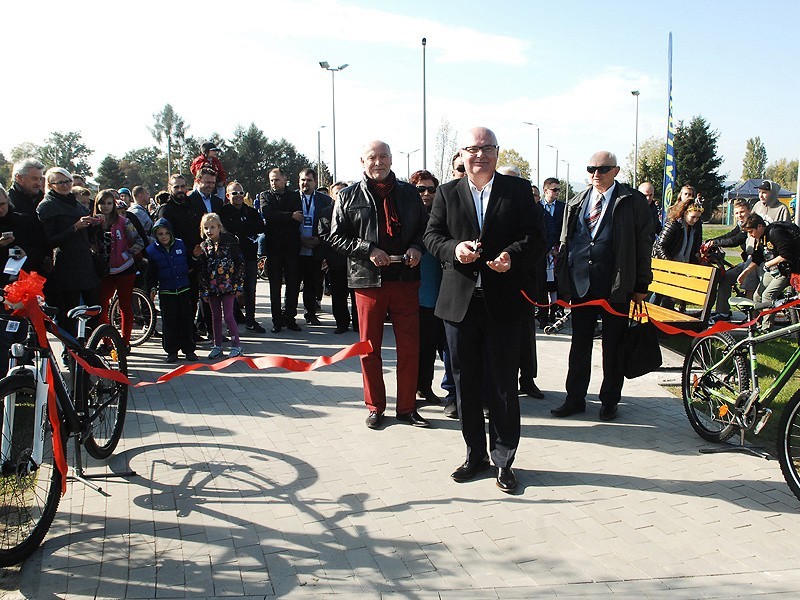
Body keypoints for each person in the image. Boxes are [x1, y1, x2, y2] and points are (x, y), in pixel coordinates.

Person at [424, 127, 545, 493]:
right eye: (473, 149)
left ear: (497, 152)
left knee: (504, 385)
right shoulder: (447, 193)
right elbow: (432, 237)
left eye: (487, 148)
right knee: (466, 383)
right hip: (460, 305)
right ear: (462, 154)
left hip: (504, 304)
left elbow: (537, 238)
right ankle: (474, 454)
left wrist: (513, 256)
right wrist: (454, 249)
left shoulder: (519, 191)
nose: (480, 155)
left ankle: (504, 460)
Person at [328, 140, 430, 430]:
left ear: (391, 159)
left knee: (409, 348)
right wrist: (369, 249)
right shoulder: (347, 197)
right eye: (372, 158)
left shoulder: (410, 194)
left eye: (383, 156)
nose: (378, 162)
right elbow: (336, 237)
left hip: (406, 280)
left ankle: (407, 407)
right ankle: (375, 407)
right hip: (368, 282)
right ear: (362, 162)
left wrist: (416, 248)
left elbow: (426, 230)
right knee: (369, 348)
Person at [552, 151, 652, 422]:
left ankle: (609, 401)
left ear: (616, 171)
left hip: (616, 285)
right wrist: (564, 281)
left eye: (603, 168)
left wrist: (642, 283)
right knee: (579, 344)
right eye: (591, 168)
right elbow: (566, 242)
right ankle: (574, 399)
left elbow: (644, 244)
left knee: (613, 346)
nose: (596, 174)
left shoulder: (632, 201)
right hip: (582, 284)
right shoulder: (578, 200)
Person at [36, 167, 101, 336]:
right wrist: (75, 227)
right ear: (51, 185)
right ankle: (69, 354)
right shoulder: (47, 206)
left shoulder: (77, 203)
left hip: (85, 263)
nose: (65, 185)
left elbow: (86, 236)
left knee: (94, 309)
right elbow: (49, 241)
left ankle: (90, 348)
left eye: (67, 181)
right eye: (60, 182)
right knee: (69, 313)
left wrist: (94, 225)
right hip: (65, 266)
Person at [409, 169, 449, 405]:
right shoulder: (408, 216)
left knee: (435, 346)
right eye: (420, 189)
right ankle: (413, 389)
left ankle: (426, 387)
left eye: (431, 189)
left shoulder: (444, 215)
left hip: (440, 292)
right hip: (415, 292)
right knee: (418, 348)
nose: (426, 193)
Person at [91, 189, 145, 347]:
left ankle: (125, 341)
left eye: (109, 203)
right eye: (102, 203)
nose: (105, 207)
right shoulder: (93, 222)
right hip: (104, 270)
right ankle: (106, 340)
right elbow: (89, 242)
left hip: (124, 269)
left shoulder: (123, 221)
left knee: (125, 304)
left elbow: (139, 241)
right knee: (102, 304)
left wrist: (126, 255)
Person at [156, 174, 205, 340]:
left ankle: (190, 331)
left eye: (183, 186)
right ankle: (178, 335)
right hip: (175, 262)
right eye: (176, 187)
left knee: (192, 298)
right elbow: (163, 238)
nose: (180, 190)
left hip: (195, 257)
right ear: (170, 188)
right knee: (177, 303)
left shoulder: (194, 204)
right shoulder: (166, 209)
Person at [257, 168, 302, 333]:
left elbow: (299, 217)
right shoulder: (264, 196)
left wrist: (283, 216)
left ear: (285, 179)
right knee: (274, 286)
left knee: (292, 285)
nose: (274, 183)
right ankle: (277, 321)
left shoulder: (294, 196)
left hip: (291, 247)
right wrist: (289, 216)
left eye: (276, 180)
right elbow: (268, 215)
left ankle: (290, 318)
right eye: (271, 180)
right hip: (274, 248)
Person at [146, 218, 197, 362]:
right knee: (169, 323)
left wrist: (195, 256)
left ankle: (189, 349)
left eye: (166, 233)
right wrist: (152, 287)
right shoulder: (152, 251)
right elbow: (150, 274)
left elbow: (190, 264)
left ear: (171, 234)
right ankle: (171, 350)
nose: (164, 237)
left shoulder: (180, 244)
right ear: (156, 235)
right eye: (160, 234)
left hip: (183, 289)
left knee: (186, 321)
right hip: (167, 291)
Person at [193, 213, 245, 358]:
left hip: (228, 286)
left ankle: (236, 346)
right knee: (215, 317)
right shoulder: (203, 246)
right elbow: (202, 269)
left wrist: (238, 285)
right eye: (206, 228)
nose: (209, 231)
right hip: (211, 288)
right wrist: (203, 290)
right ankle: (217, 345)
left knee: (228, 316)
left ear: (219, 227)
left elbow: (240, 264)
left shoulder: (230, 242)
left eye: (212, 227)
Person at [219, 181, 267, 333]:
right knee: (231, 291)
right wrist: (244, 230)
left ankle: (251, 321)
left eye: (241, 193)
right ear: (228, 195)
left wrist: (241, 231)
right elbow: (228, 230)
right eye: (234, 193)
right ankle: (231, 322)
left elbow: (260, 227)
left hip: (250, 257)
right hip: (231, 259)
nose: (238, 196)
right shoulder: (223, 212)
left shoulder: (251, 212)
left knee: (250, 289)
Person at [739, 214, 800, 331]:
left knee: (768, 296)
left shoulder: (775, 233)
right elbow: (757, 258)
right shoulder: (760, 238)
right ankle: (758, 324)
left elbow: (786, 255)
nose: (750, 235)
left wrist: (768, 264)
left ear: (760, 226)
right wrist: (745, 272)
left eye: (751, 231)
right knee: (757, 296)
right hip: (773, 270)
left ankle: (767, 329)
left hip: (786, 270)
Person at [651, 191, 704, 311]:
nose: (695, 220)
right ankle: (651, 318)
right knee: (661, 294)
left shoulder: (691, 229)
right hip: (666, 265)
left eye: (697, 218)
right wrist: (670, 265)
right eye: (693, 217)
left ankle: (662, 319)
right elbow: (660, 246)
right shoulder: (674, 225)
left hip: (679, 266)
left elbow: (688, 250)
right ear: (685, 213)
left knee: (669, 296)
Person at [318, 182, 358, 334]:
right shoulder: (325, 213)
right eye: (337, 193)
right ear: (331, 195)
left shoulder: (355, 211)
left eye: (343, 192)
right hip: (336, 259)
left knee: (356, 295)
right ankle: (341, 323)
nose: (340, 195)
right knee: (339, 294)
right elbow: (323, 236)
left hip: (354, 260)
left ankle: (358, 324)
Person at [294, 168, 332, 325]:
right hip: (297, 247)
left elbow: (330, 225)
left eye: (309, 180)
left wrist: (319, 240)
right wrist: (299, 239)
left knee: (312, 284)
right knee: (293, 283)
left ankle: (310, 314)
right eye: (303, 180)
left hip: (316, 247)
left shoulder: (324, 200)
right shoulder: (292, 197)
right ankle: (289, 315)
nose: (305, 183)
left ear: (315, 182)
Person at [707, 199, 756, 321]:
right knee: (725, 278)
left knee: (736, 281)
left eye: (742, 212)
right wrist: (712, 241)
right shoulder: (741, 225)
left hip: (755, 262)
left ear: (749, 211)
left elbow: (736, 240)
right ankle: (723, 312)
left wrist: (716, 243)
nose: (740, 215)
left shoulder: (751, 224)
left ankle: (751, 317)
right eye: (737, 213)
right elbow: (730, 235)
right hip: (747, 261)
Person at [0, 184, 44, 284]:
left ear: (7, 200)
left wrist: (26, 253)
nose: (0, 209)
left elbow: (41, 248)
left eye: (2, 204)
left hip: (26, 278)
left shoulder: (24, 220)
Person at [539, 177, 566, 327]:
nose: (557, 193)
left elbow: (563, 229)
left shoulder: (563, 208)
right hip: (542, 252)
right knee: (543, 285)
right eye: (554, 190)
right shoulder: (538, 207)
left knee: (555, 283)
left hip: (556, 252)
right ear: (546, 190)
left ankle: (555, 311)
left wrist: (556, 249)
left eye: (558, 190)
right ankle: (542, 313)